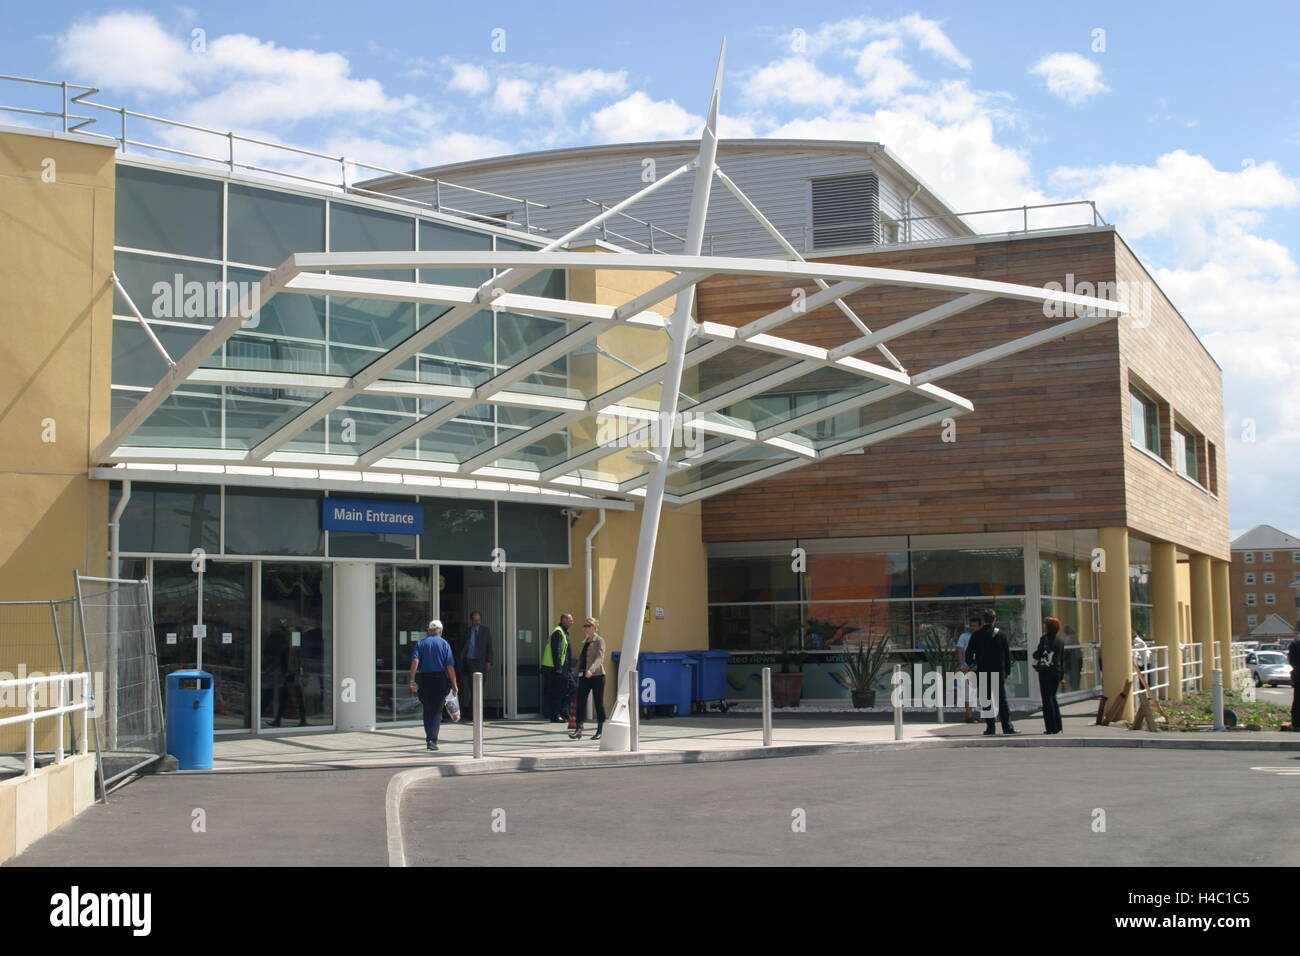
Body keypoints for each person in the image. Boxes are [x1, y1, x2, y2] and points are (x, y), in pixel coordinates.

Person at [966, 609, 1019, 736]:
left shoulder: (977, 635)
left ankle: (990, 728)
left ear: (983, 620)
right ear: (995, 620)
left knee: (986, 700)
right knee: (1001, 700)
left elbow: (968, 653)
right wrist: (1006, 671)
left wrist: (973, 664)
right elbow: (1007, 655)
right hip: (998, 671)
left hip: (982, 671)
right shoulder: (1001, 634)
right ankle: (1007, 727)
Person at [407, 620, 458, 752]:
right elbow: (450, 666)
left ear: (429, 631)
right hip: (439, 679)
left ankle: (429, 737)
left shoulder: (421, 643)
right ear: (440, 631)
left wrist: (412, 680)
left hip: (424, 679)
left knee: (427, 709)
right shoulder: (444, 644)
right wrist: (454, 684)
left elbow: (415, 661)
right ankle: (432, 740)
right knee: (436, 711)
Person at [569, 618, 607, 740]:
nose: (586, 627)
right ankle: (578, 729)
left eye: (588, 625)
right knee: (581, 701)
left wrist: (591, 669)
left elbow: (600, 658)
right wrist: (574, 671)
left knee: (598, 703)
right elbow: (581, 659)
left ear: (595, 627)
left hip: (597, 676)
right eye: (584, 625)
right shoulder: (584, 642)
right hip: (584, 676)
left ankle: (601, 730)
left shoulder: (599, 641)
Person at [1033, 617, 1067, 734]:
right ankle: (1058, 726)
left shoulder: (1044, 639)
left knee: (1047, 700)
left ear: (1048, 627)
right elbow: (1062, 660)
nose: (1043, 626)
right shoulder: (1060, 641)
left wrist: (1034, 654)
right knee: (1053, 698)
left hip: (1045, 672)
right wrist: (1062, 676)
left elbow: (1038, 654)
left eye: (1045, 624)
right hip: (1056, 673)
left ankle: (1051, 728)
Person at [458, 610, 494, 720]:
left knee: (480, 687)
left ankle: (475, 712)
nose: (476, 622)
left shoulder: (485, 631)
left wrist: (489, 661)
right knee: (473, 687)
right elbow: (462, 646)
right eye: (474, 620)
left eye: (478, 620)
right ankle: (473, 714)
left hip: (481, 662)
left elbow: (489, 647)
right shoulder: (467, 631)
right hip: (470, 661)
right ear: (471, 620)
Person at [541, 613, 573, 721]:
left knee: (567, 689)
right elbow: (556, 651)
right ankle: (554, 715)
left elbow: (564, 652)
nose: (572, 622)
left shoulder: (564, 632)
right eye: (570, 620)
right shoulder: (558, 632)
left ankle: (561, 712)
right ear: (563, 620)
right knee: (556, 692)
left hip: (560, 667)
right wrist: (558, 667)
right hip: (553, 667)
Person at [955, 614, 982, 723]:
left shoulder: (982, 636)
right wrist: (962, 665)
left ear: (980, 626)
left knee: (976, 692)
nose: (972, 628)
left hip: (980, 666)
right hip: (968, 667)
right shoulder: (964, 636)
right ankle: (968, 715)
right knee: (969, 692)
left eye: (975, 626)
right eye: (971, 626)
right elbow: (960, 652)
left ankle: (974, 714)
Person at [1288, 635, 1300, 731]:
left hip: (1298, 676)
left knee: (1298, 700)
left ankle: (1296, 724)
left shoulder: (1295, 642)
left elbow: (1292, 661)